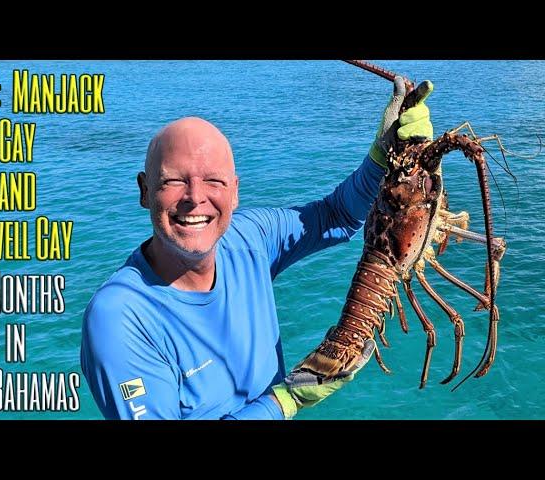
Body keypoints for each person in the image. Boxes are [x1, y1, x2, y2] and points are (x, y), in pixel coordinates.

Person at [80, 76, 434, 420]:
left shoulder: (249, 239)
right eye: (173, 181)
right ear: (144, 190)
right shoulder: (119, 319)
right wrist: (284, 401)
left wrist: (383, 155)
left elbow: (335, 215)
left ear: (234, 192)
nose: (195, 198)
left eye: (213, 181)